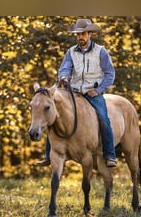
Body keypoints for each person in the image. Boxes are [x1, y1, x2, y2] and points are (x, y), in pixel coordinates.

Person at [35, 18, 116, 168]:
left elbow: (110, 74)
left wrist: (98, 90)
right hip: (74, 92)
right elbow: (64, 68)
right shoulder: (71, 52)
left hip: (93, 93)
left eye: (83, 34)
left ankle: (110, 154)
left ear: (90, 33)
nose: (80, 37)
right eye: (78, 34)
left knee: (104, 118)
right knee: (53, 116)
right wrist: (63, 77)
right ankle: (48, 156)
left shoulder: (101, 51)